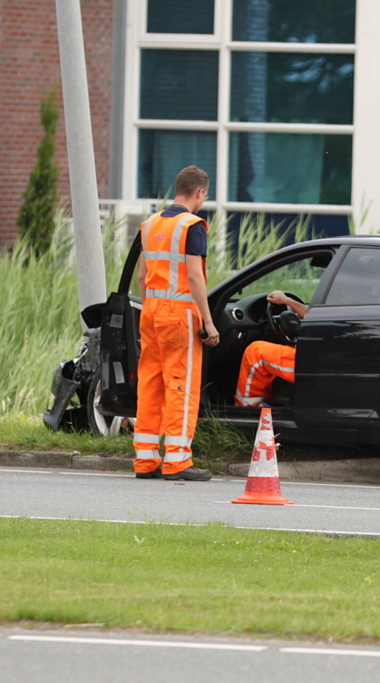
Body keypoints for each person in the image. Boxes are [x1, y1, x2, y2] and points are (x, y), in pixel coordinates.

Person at [133, 166, 220, 481]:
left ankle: (145, 460)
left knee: (151, 382)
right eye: (204, 197)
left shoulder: (151, 224)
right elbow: (195, 275)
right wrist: (208, 322)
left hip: (151, 310)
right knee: (180, 386)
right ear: (200, 193)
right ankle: (178, 461)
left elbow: (142, 277)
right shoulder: (191, 225)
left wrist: (149, 308)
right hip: (179, 312)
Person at [234, 290, 308, 407]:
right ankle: (269, 401)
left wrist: (286, 301)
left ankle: (247, 409)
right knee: (277, 353)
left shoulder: (344, 296)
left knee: (256, 353)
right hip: (333, 361)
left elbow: (316, 315)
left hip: (318, 363)